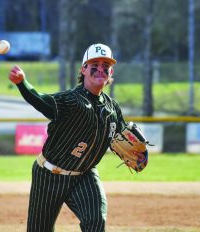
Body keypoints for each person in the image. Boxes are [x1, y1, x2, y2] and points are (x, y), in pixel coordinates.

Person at [9, 43, 127, 232]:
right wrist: (23, 83)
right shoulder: (72, 100)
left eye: (106, 65)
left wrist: (139, 151)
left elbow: (121, 137)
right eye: (94, 64)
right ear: (84, 69)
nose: (100, 69)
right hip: (49, 175)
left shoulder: (113, 108)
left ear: (111, 71)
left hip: (84, 175)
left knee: (96, 221)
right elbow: (42, 101)